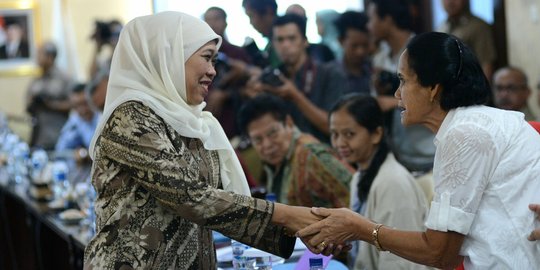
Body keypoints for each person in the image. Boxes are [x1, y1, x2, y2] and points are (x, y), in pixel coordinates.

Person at [83, 12, 320, 269]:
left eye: (215, 60)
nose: (212, 71)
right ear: (170, 56)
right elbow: (192, 197)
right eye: (206, 57)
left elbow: (218, 199)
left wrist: (302, 224)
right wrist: (292, 217)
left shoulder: (189, 120)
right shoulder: (130, 117)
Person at [297, 32, 540, 269]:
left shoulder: (465, 133)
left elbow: (440, 253)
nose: (396, 93)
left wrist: (362, 229)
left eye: (403, 80)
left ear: (433, 88)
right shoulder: (478, 123)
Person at [329, 94, 429, 269]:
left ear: (376, 134)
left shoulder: (392, 184)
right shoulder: (360, 176)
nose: (339, 143)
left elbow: (399, 262)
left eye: (349, 134)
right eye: (334, 134)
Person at [367, 0, 435, 202]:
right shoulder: (380, 58)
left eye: (372, 18)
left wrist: (392, 102)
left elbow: (437, 98)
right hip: (400, 157)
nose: (368, 26)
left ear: (387, 20)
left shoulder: (423, 52)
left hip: (429, 156)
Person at [238, 94, 353, 207]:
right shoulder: (277, 162)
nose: (267, 144)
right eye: (258, 139)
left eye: (273, 133)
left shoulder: (312, 157)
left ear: (289, 123)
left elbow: (356, 201)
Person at [259, 14, 346, 142]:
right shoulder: (274, 78)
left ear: (305, 41)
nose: (285, 45)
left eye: (292, 38)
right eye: (280, 40)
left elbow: (334, 128)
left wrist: (295, 96)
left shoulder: (329, 73)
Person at [26, 42, 73, 150]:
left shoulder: (64, 78)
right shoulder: (36, 79)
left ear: (50, 57)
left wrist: (51, 105)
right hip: (37, 136)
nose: (37, 57)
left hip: (57, 134)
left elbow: (74, 103)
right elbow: (28, 103)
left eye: (40, 54)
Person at [438, 0, 496, 80]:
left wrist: (483, 91)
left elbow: (486, 64)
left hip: (468, 87)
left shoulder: (478, 26)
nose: (450, 2)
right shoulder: (441, 27)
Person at [327, 11, 372, 96]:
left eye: (365, 45)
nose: (360, 52)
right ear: (341, 41)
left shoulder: (374, 71)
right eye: (354, 46)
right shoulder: (329, 74)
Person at [55, 83, 101, 163]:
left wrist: (86, 154)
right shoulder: (75, 120)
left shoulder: (101, 116)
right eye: (77, 105)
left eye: (85, 103)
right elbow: (60, 151)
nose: (83, 110)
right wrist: (75, 153)